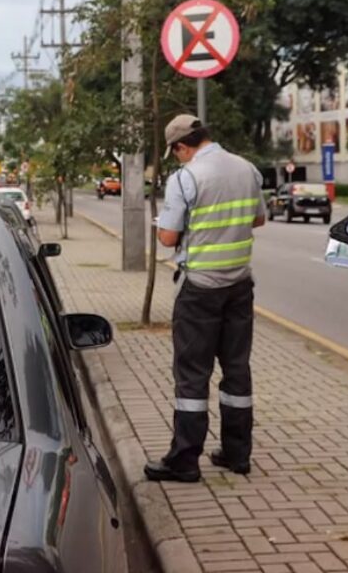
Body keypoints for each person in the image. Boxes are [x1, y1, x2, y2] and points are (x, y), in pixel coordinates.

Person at [144, 114, 267, 483]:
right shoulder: (247, 169)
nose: (177, 158)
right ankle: (237, 453)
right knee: (236, 370)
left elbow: (167, 237)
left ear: (182, 146)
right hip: (240, 286)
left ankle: (184, 459)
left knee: (192, 376)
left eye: (176, 152)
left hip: (200, 289)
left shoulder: (187, 177)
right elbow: (258, 220)